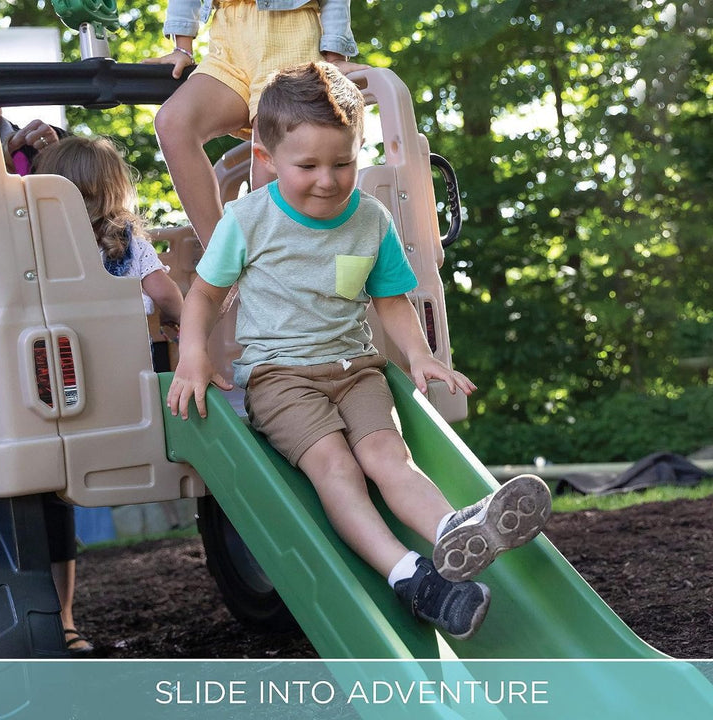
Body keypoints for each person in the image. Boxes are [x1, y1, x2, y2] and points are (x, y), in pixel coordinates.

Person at [166, 62, 552, 640]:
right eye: (308, 166)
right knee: (337, 469)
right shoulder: (249, 220)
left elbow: (391, 297)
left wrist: (419, 355)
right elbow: (203, 295)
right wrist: (193, 355)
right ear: (268, 160)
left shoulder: (370, 218)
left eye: (342, 162)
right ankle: (409, 576)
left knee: (388, 460)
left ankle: (454, 528)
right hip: (281, 378)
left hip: (358, 370)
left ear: (358, 150)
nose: (327, 179)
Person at [143, 0, 367, 247]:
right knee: (173, 123)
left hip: (292, 41)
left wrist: (334, 57)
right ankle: (222, 257)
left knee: (269, 166)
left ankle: (275, 267)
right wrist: (182, 48)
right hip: (228, 47)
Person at [0, 110, 93, 654]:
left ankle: (63, 616)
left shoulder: (5, 123)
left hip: (29, 313)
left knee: (50, 483)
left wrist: (34, 146)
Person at [34, 136, 184, 329]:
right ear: (117, 190)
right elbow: (165, 295)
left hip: (60, 350)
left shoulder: (38, 246)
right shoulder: (132, 247)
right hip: (124, 351)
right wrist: (172, 317)